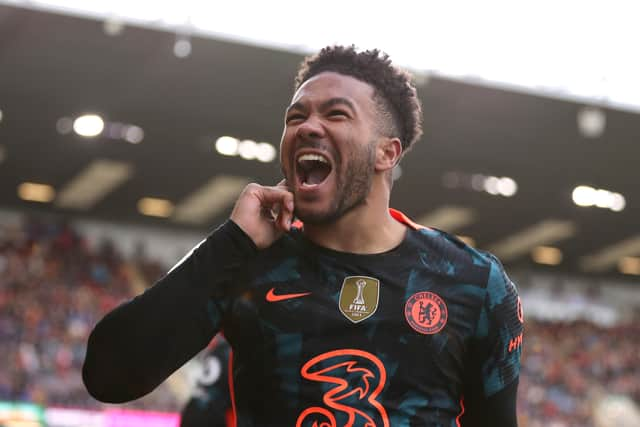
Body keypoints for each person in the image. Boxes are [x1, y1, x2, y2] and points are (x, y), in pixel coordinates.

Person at [83, 45, 523, 426]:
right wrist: (232, 241)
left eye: (336, 114)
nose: (308, 127)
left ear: (387, 153)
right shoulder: (248, 261)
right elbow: (109, 374)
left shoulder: (474, 282)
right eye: (296, 116)